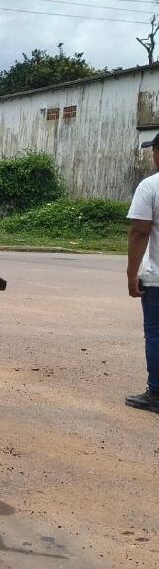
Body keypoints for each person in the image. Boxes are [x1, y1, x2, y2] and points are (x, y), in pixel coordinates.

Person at [126, 131, 159, 412]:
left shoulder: (150, 186)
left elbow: (139, 232)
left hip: (157, 279)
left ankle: (156, 394)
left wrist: (130, 274)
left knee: (156, 334)